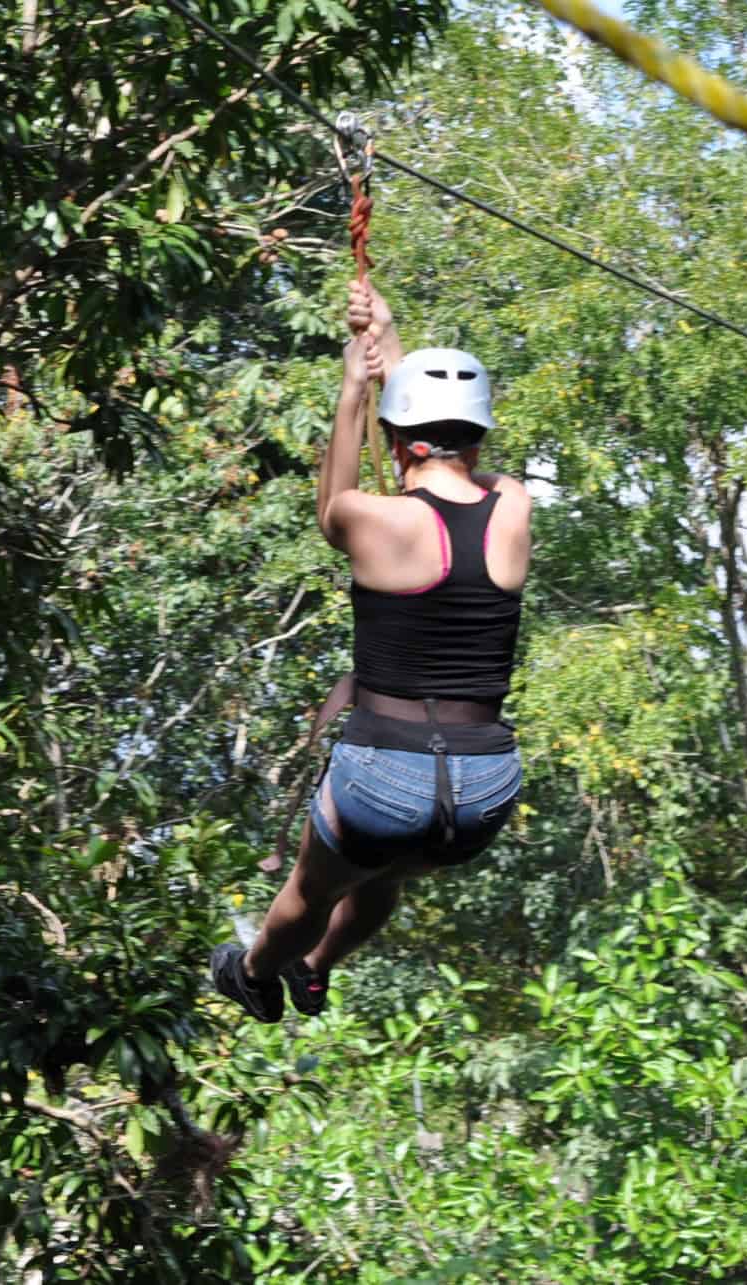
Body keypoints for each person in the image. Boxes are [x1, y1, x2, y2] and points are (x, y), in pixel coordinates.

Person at [210, 279, 531, 1022]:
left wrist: (358, 385)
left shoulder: (365, 519)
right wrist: (393, 362)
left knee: (313, 886)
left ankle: (257, 972)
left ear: (397, 435)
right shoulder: (512, 503)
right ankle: (318, 969)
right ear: (479, 438)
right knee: (385, 871)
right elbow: (455, 467)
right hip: (483, 790)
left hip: (385, 775)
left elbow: (332, 499)